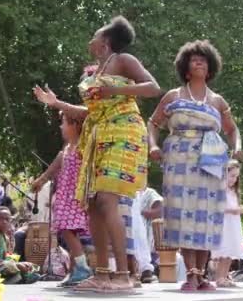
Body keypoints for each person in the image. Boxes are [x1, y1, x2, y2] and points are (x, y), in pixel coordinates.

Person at [33, 16, 160, 293]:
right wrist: (56, 104)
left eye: (94, 35)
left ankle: (123, 275)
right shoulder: (95, 73)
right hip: (97, 137)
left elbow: (153, 87)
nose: (90, 39)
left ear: (104, 42)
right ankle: (102, 273)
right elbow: (89, 113)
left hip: (123, 133)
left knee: (106, 199)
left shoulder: (123, 60)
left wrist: (116, 89)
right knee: (92, 203)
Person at [147, 40, 242, 292]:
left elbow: (232, 130)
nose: (198, 61)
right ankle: (190, 274)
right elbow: (153, 123)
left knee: (206, 216)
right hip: (179, 160)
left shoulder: (217, 101)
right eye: (193, 59)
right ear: (186, 69)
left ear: (210, 68)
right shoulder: (173, 96)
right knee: (183, 214)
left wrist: (237, 147)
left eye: (203, 59)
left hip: (211, 161)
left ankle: (201, 275)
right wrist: (153, 146)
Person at [32, 112, 91, 287]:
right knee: (70, 233)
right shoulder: (66, 150)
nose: (60, 126)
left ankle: (82, 267)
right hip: (65, 197)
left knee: (67, 230)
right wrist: (40, 181)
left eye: (63, 123)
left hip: (75, 197)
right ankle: (75, 271)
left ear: (76, 125)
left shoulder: (83, 147)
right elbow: (52, 169)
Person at [212, 160, 243, 287]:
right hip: (224, 225)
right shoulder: (219, 190)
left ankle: (225, 276)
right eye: (232, 176)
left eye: (236, 176)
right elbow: (217, 207)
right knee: (224, 252)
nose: (234, 179)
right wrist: (234, 210)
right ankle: (219, 277)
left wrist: (238, 209)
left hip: (233, 225)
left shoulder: (233, 192)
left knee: (230, 252)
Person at [132, 186, 163, 283]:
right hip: (134, 232)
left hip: (147, 234)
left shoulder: (150, 192)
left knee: (145, 254)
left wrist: (141, 212)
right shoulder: (131, 191)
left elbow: (160, 210)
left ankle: (147, 272)